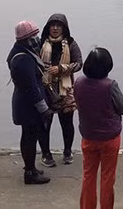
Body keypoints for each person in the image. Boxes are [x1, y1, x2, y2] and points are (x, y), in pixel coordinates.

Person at [74, 47, 123, 209]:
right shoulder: (110, 85)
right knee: (107, 177)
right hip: (110, 138)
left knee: (88, 175)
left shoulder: (79, 83)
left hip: (88, 136)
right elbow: (122, 108)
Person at [7, 21, 52, 185]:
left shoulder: (19, 52)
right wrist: (44, 109)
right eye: (34, 36)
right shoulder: (23, 59)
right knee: (30, 138)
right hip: (28, 106)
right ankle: (30, 173)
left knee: (27, 136)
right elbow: (31, 88)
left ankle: (30, 167)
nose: (37, 39)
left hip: (23, 102)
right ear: (27, 39)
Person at [38, 13, 82, 167]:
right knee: (44, 123)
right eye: (52, 25)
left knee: (67, 123)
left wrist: (62, 69)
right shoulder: (41, 43)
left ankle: (67, 151)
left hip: (65, 88)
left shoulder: (71, 43)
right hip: (45, 88)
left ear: (64, 28)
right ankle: (46, 154)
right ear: (48, 27)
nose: (55, 28)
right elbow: (34, 63)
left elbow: (79, 63)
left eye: (58, 25)